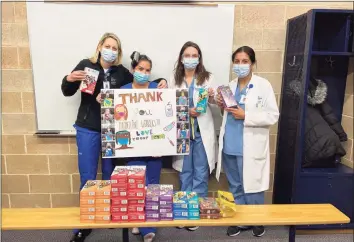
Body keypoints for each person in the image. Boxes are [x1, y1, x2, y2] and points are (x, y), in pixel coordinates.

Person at [61, 32, 167, 242]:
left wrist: (160, 81)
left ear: (118, 52)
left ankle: (110, 214)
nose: (110, 50)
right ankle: (85, 225)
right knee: (88, 177)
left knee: (111, 176)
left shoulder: (121, 73)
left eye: (115, 48)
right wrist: (69, 78)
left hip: (114, 132)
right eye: (107, 46)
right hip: (89, 128)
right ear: (100, 46)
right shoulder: (86, 65)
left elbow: (139, 85)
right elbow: (67, 91)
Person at [215, 46, 279, 238]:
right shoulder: (229, 86)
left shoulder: (263, 85)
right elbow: (227, 115)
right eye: (237, 61)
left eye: (245, 61)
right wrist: (220, 106)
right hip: (230, 144)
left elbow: (272, 115)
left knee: (253, 185)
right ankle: (240, 220)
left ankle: (257, 220)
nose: (240, 65)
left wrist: (247, 115)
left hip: (251, 145)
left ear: (252, 64)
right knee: (235, 185)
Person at [168, 41, 217, 231]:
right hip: (182, 132)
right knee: (185, 173)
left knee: (200, 174)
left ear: (199, 58)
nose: (190, 59)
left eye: (194, 55)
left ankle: (195, 213)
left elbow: (214, 103)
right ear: (181, 58)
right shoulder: (174, 78)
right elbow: (168, 104)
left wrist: (213, 96)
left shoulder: (208, 78)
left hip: (201, 132)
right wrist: (184, 110)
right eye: (187, 55)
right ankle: (183, 211)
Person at [121, 51, 164, 242]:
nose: (143, 73)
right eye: (140, 69)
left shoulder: (157, 89)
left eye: (147, 70)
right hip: (133, 149)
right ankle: (138, 220)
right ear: (132, 69)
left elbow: (165, 118)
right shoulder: (122, 91)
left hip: (155, 150)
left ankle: (149, 227)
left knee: (152, 185)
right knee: (136, 185)